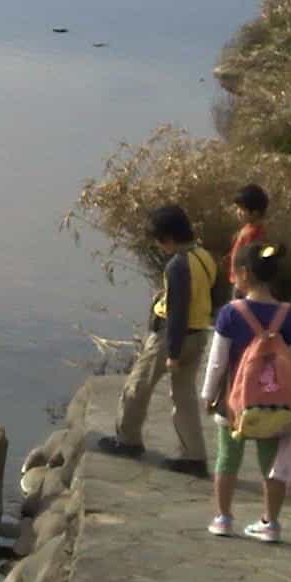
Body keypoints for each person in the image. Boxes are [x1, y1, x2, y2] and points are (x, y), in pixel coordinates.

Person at [97, 203, 222, 475]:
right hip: (199, 333)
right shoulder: (203, 256)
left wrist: (173, 354)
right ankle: (194, 456)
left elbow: (177, 311)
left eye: (159, 241)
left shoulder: (178, 266)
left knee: (136, 386)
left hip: (171, 337)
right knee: (184, 396)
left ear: (168, 239)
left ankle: (127, 440)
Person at [203, 240, 291, 541]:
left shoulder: (231, 313)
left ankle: (223, 518)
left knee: (227, 459)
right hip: (275, 402)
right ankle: (270, 523)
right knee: (271, 465)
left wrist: (208, 396)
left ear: (244, 273)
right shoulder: (290, 315)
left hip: (234, 403)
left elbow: (217, 361)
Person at [229, 183, 270, 278]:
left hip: (242, 281)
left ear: (255, 213)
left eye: (242, 209)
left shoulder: (252, 234)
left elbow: (248, 261)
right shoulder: (250, 228)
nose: (238, 212)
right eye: (237, 208)